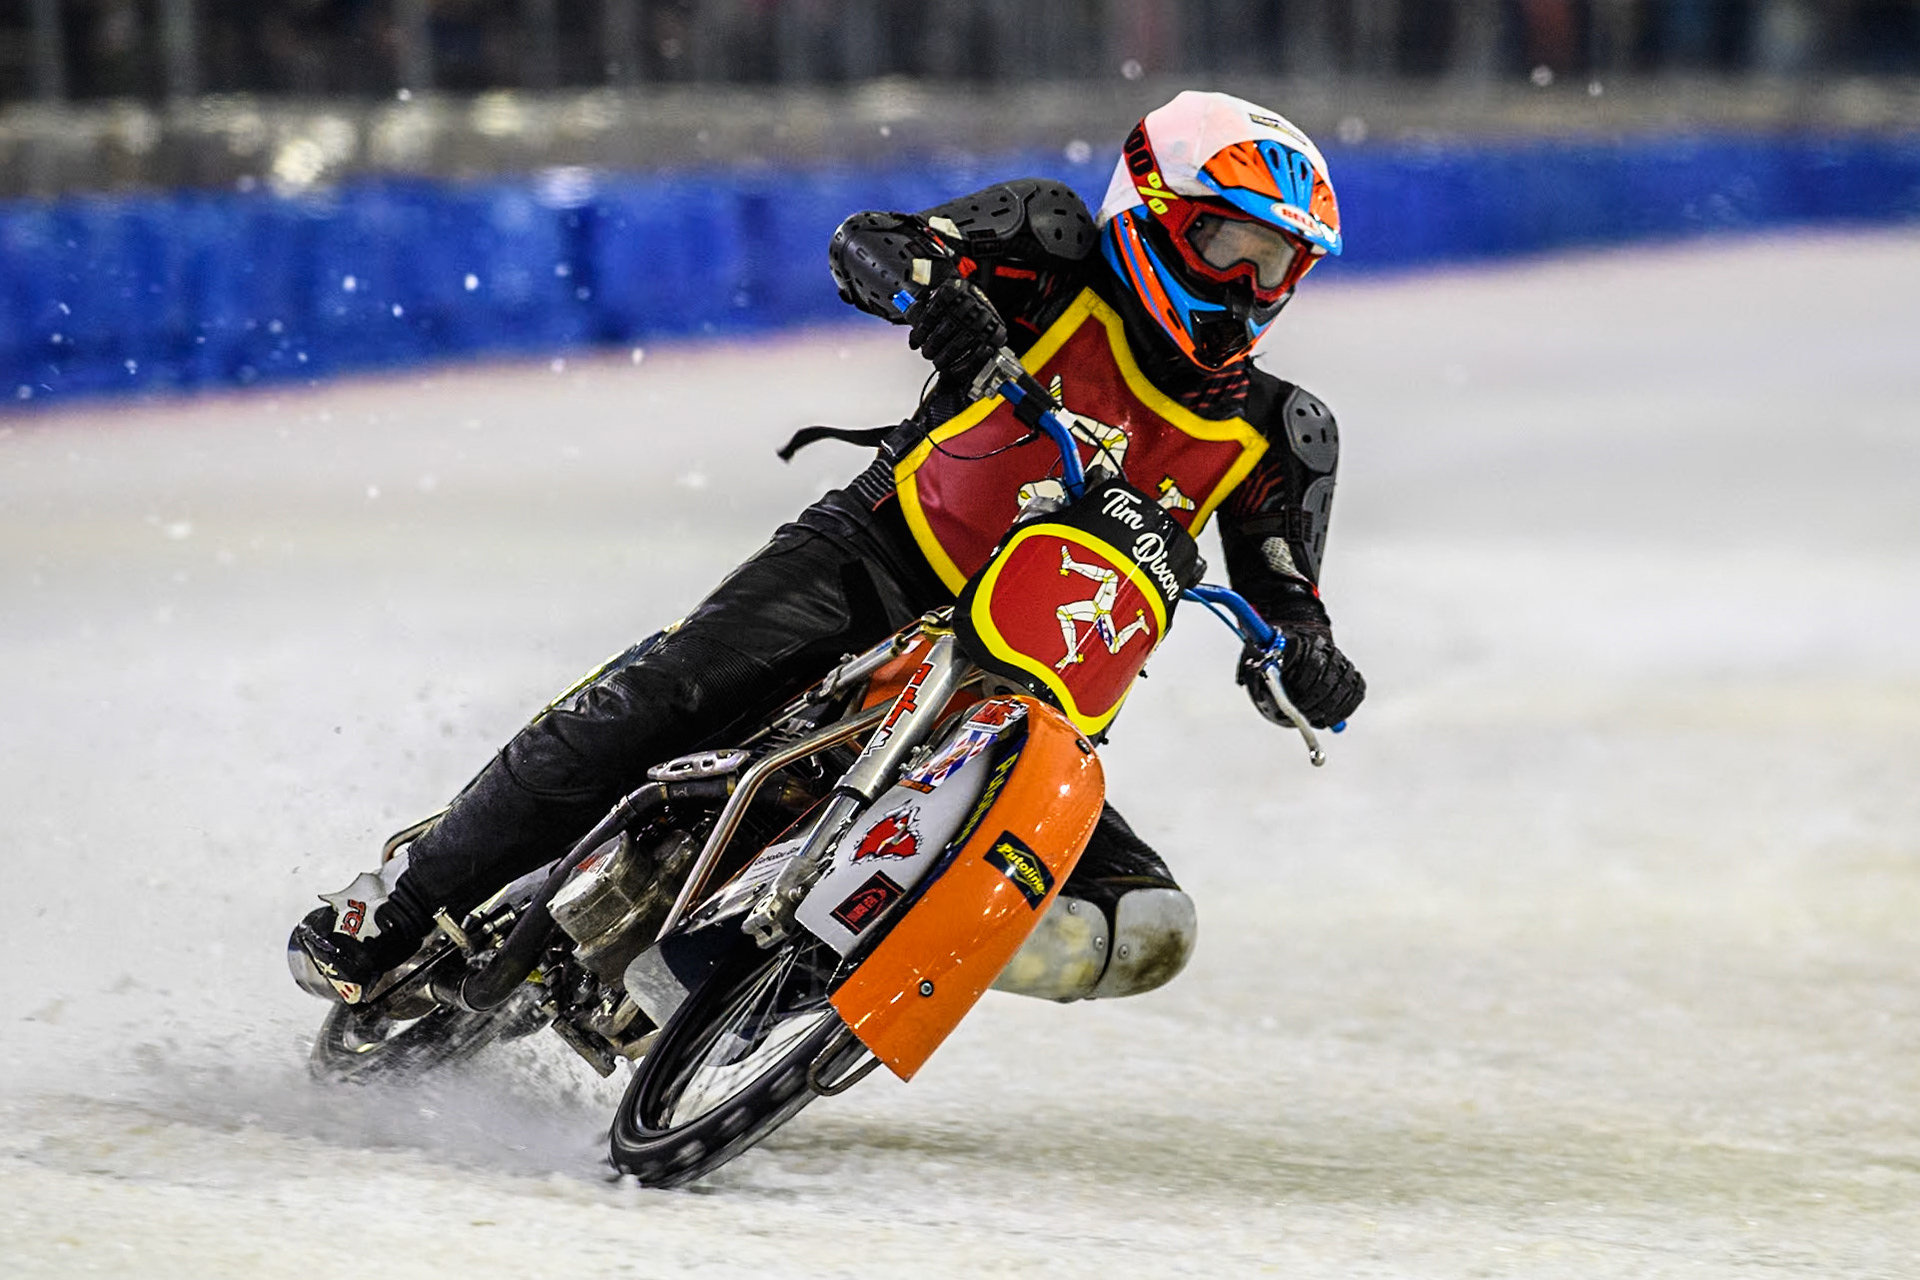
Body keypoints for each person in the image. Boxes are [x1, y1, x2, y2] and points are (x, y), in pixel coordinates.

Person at [293, 90, 1367, 1008]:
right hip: (879, 560)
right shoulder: (1051, 242)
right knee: (663, 693)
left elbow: (1288, 599)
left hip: (1033, 697)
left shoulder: (1284, 430)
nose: (1248, 290)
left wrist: (1308, 663)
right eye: (1232, 247)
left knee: (1148, 924)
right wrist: (938, 296)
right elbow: (878, 240)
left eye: (1278, 268)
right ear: (1156, 210)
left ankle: (806, 990)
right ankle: (398, 903)